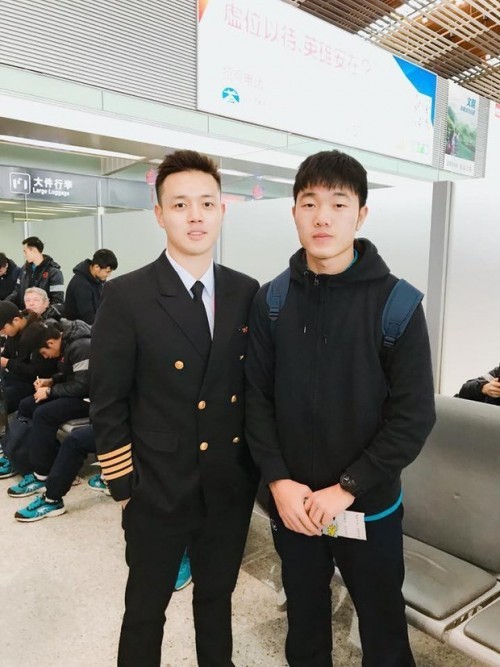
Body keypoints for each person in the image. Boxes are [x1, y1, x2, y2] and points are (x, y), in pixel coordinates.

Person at [245, 150, 436, 667]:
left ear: (361, 214)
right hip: (294, 504)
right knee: (305, 620)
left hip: (366, 506)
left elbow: (414, 416)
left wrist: (348, 487)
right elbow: (256, 399)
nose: (322, 217)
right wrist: (279, 481)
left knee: (382, 625)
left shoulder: (397, 305)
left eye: (338, 203)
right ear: (294, 212)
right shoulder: (272, 301)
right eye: (309, 203)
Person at [90, 149, 259, 667]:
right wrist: (124, 488)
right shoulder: (127, 296)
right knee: (145, 610)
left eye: (207, 203)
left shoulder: (245, 291)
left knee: (217, 602)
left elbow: (253, 390)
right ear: (159, 214)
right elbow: (108, 402)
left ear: (222, 211)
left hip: (226, 485)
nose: (195, 216)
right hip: (156, 486)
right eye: (180, 204)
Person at [4, 318, 91, 496]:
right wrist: (51, 380)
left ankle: (43, 473)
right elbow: (69, 374)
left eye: (44, 353)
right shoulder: (68, 342)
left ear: (51, 343)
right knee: (27, 404)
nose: (45, 357)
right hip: (78, 393)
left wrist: (50, 391)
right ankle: (23, 455)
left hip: (91, 399)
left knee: (44, 414)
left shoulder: (81, 347)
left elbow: (84, 385)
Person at [5, 236, 64, 308]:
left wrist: (44, 313)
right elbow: (17, 291)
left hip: (45, 314)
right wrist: (4, 304)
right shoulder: (24, 269)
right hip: (26, 312)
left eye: (25, 251)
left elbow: (57, 301)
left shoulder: (54, 272)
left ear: (34, 250)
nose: (24, 255)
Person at [64, 249, 118, 324]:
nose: (109, 275)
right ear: (96, 267)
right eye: (107, 272)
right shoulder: (81, 284)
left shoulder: (97, 280)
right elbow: (88, 318)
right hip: (81, 328)